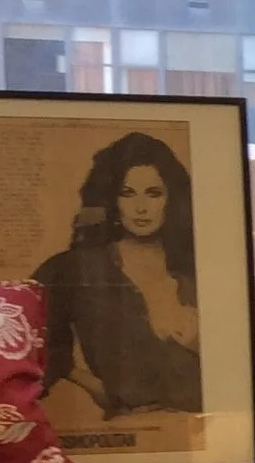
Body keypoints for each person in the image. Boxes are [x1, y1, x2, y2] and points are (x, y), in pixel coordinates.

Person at [33, 132, 202, 421]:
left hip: (203, 430)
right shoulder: (76, 267)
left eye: (154, 193)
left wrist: (197, 341)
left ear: (171, 198)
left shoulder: (197, 268)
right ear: (111, 199)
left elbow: (238, 369)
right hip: (129, 426)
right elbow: (33, 340)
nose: (140, 208)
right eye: (127, 193)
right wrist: (98, 388)